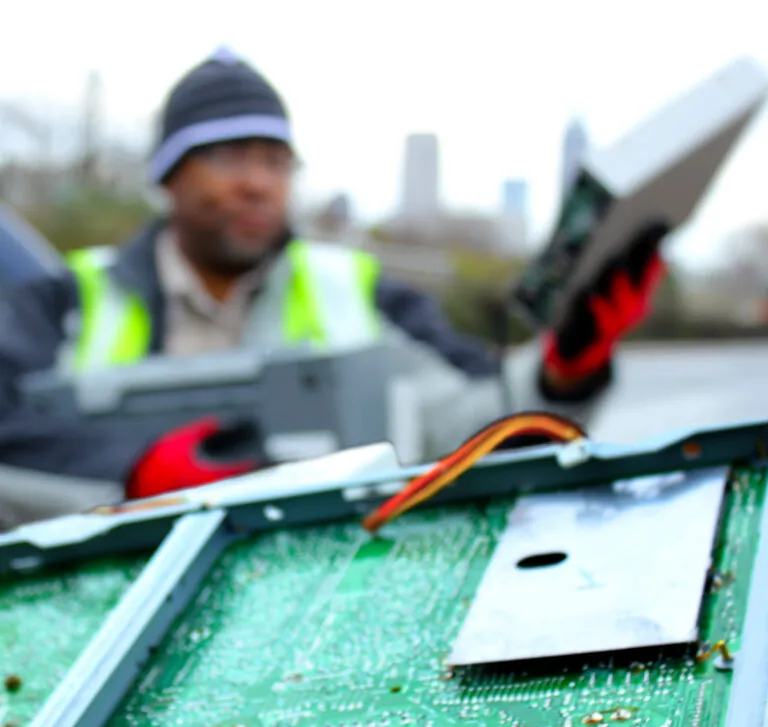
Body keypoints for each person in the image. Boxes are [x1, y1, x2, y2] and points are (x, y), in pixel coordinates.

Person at [0, 48, 667, 502]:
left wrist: (562, 371)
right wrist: (129, 469)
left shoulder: (361, 290)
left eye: (275, 161)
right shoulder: (63, 302)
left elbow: (473, 418)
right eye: (231, 157)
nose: (258, 184)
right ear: (169, 174)